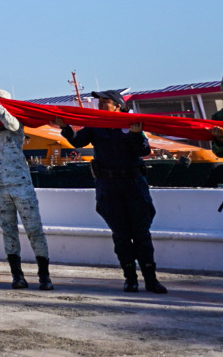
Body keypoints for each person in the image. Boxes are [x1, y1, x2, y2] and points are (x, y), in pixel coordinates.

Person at [55, 90, 166, 293]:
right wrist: (65, 128)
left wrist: (134, 134)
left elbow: (144, 150)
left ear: (118, 105)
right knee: (121, 235)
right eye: (100, 101)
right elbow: (78, 141)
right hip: (108, 186)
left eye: (105, 101)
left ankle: (151, 279)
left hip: (134, 185)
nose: (100, 105)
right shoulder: (96, 125)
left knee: (141, 234)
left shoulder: (132, 123)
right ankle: (130, 278)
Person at [0, 90, 53, 290]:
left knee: (34, 230)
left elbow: (10, 122)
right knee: (8, 232)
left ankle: (44, 275)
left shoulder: (14, 123)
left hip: (21, 186)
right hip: (0, 188)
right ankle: (17, 275)